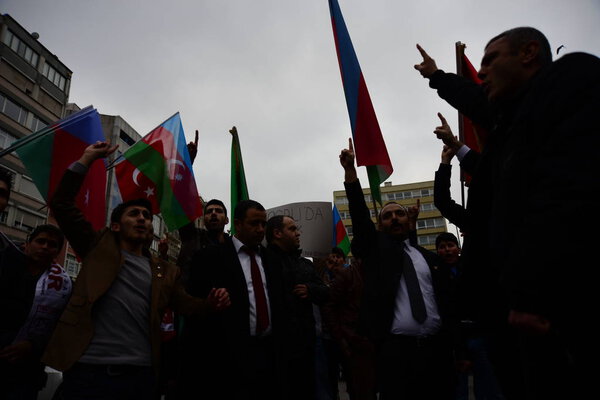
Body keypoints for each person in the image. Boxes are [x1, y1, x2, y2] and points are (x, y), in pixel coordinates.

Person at [415, 27, 600, 398]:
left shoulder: (570, 80)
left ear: (529, 52)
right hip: (509, 306)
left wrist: (531, 292)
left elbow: (566, 191)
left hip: (557, 302)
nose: (481, 72)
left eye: (490, 59)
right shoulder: (510, 120)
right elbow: (476, 98)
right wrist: (437, 77)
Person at [41, 141, 230, 399]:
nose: (142, 217)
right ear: (116, 226)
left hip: (140, 377)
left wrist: (210, 303)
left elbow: (187, 305)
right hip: (88, 373)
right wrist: (85, 159)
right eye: (134, 214)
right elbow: (62, 204)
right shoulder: (96, 249)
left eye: (146, 215)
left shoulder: (165, 271)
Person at [339, 138, 455, 399]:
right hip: (395, 353)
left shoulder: (427, 258)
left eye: (399, 214)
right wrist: (350, 175)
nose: (394, 218)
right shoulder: (377, 252)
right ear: (380, 226)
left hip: (436, 351)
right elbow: (360, 218)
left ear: (408, 219)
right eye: (387, 216)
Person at [185, 199, 283, 400]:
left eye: (263, 224)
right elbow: (194, 310)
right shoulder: (209, 258)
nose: (260, 229)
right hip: (227, 359)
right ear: (237, 224)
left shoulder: (272, 260)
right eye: (254, 224)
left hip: (268, 355)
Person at [0, 224, 71, 400]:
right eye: (41, 241)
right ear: (28, 243)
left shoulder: (63, 285)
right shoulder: (4, 266)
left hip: (27, 371)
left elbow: (62, 327)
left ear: (57, 252)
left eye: (52, 244)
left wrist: (33, 345)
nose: (45, 247)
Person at [265, 215, 329, 400]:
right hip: (275, 348)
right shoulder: (263, 261)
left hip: (306, 345)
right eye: (292, 229)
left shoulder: (304, 264)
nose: (298, 233)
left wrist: (311, 290)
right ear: (277, 233)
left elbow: (326, 293)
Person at [322, 253, 377, 400]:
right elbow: (329, 306)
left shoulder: (366, 274)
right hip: (342, 340)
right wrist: (340, 338)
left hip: (362, 340)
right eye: (331, 258)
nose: (335, 261)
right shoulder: (337, 277)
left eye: (338, 257)